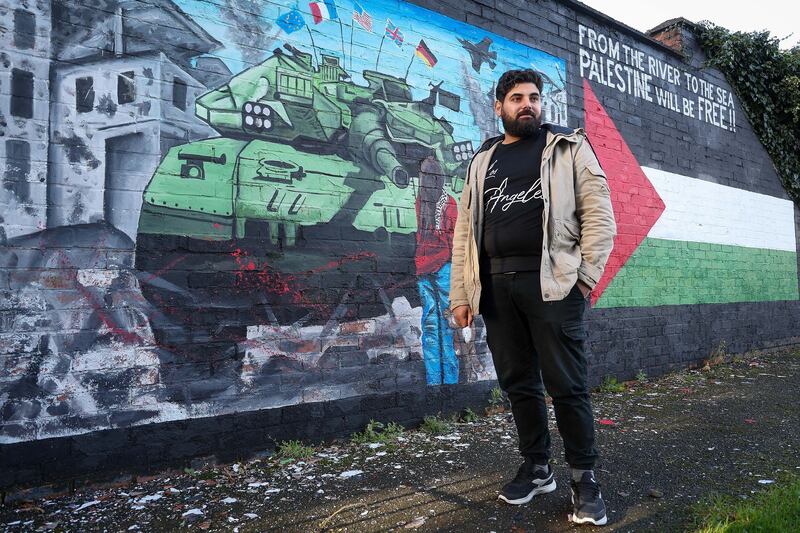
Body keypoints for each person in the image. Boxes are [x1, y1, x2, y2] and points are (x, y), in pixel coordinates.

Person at [449, 69, 616, 526]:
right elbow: (465, 232)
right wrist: (461, 295)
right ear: (499, 106)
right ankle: (538, 467)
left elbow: (600, 217)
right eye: (518, 98)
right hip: (496, 289)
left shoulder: (568, 147)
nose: (528, 104)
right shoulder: (483, 159)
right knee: (519, 385)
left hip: (553, 287)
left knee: (568, 386)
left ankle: (585, 480)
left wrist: (583, 281)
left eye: (535, 97)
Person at [416, 156, 459, 385]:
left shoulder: (430, 202)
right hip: (436, 270)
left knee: (436, 328)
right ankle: (442, 383)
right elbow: (452, 240)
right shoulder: (436, 202)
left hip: (435, 270)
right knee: (440, 328)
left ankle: (442, 382)